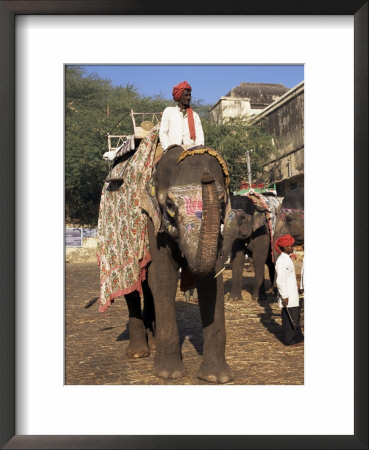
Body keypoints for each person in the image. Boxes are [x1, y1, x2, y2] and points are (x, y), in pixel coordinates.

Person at [275, 233, 304, 346]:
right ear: (285, 247)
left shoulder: (287, 258)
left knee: (295, 316)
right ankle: (289, 340)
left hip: (292, 293)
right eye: (290, 246)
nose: (292, 248)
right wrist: (284, 296)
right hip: (288, 295)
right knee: (289, 318)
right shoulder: (281, 261)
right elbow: (280, 280)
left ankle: (298, 337)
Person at [159, 81, 205, 151]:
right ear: (179, 96)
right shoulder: (169, 111)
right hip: (172, 149)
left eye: (189, 95)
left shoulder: (195, 115)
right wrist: (169, 149)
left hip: (191, 151)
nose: (188, 98)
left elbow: (200, 137)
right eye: (186, 95)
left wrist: (198, 150)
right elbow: (163, 133)